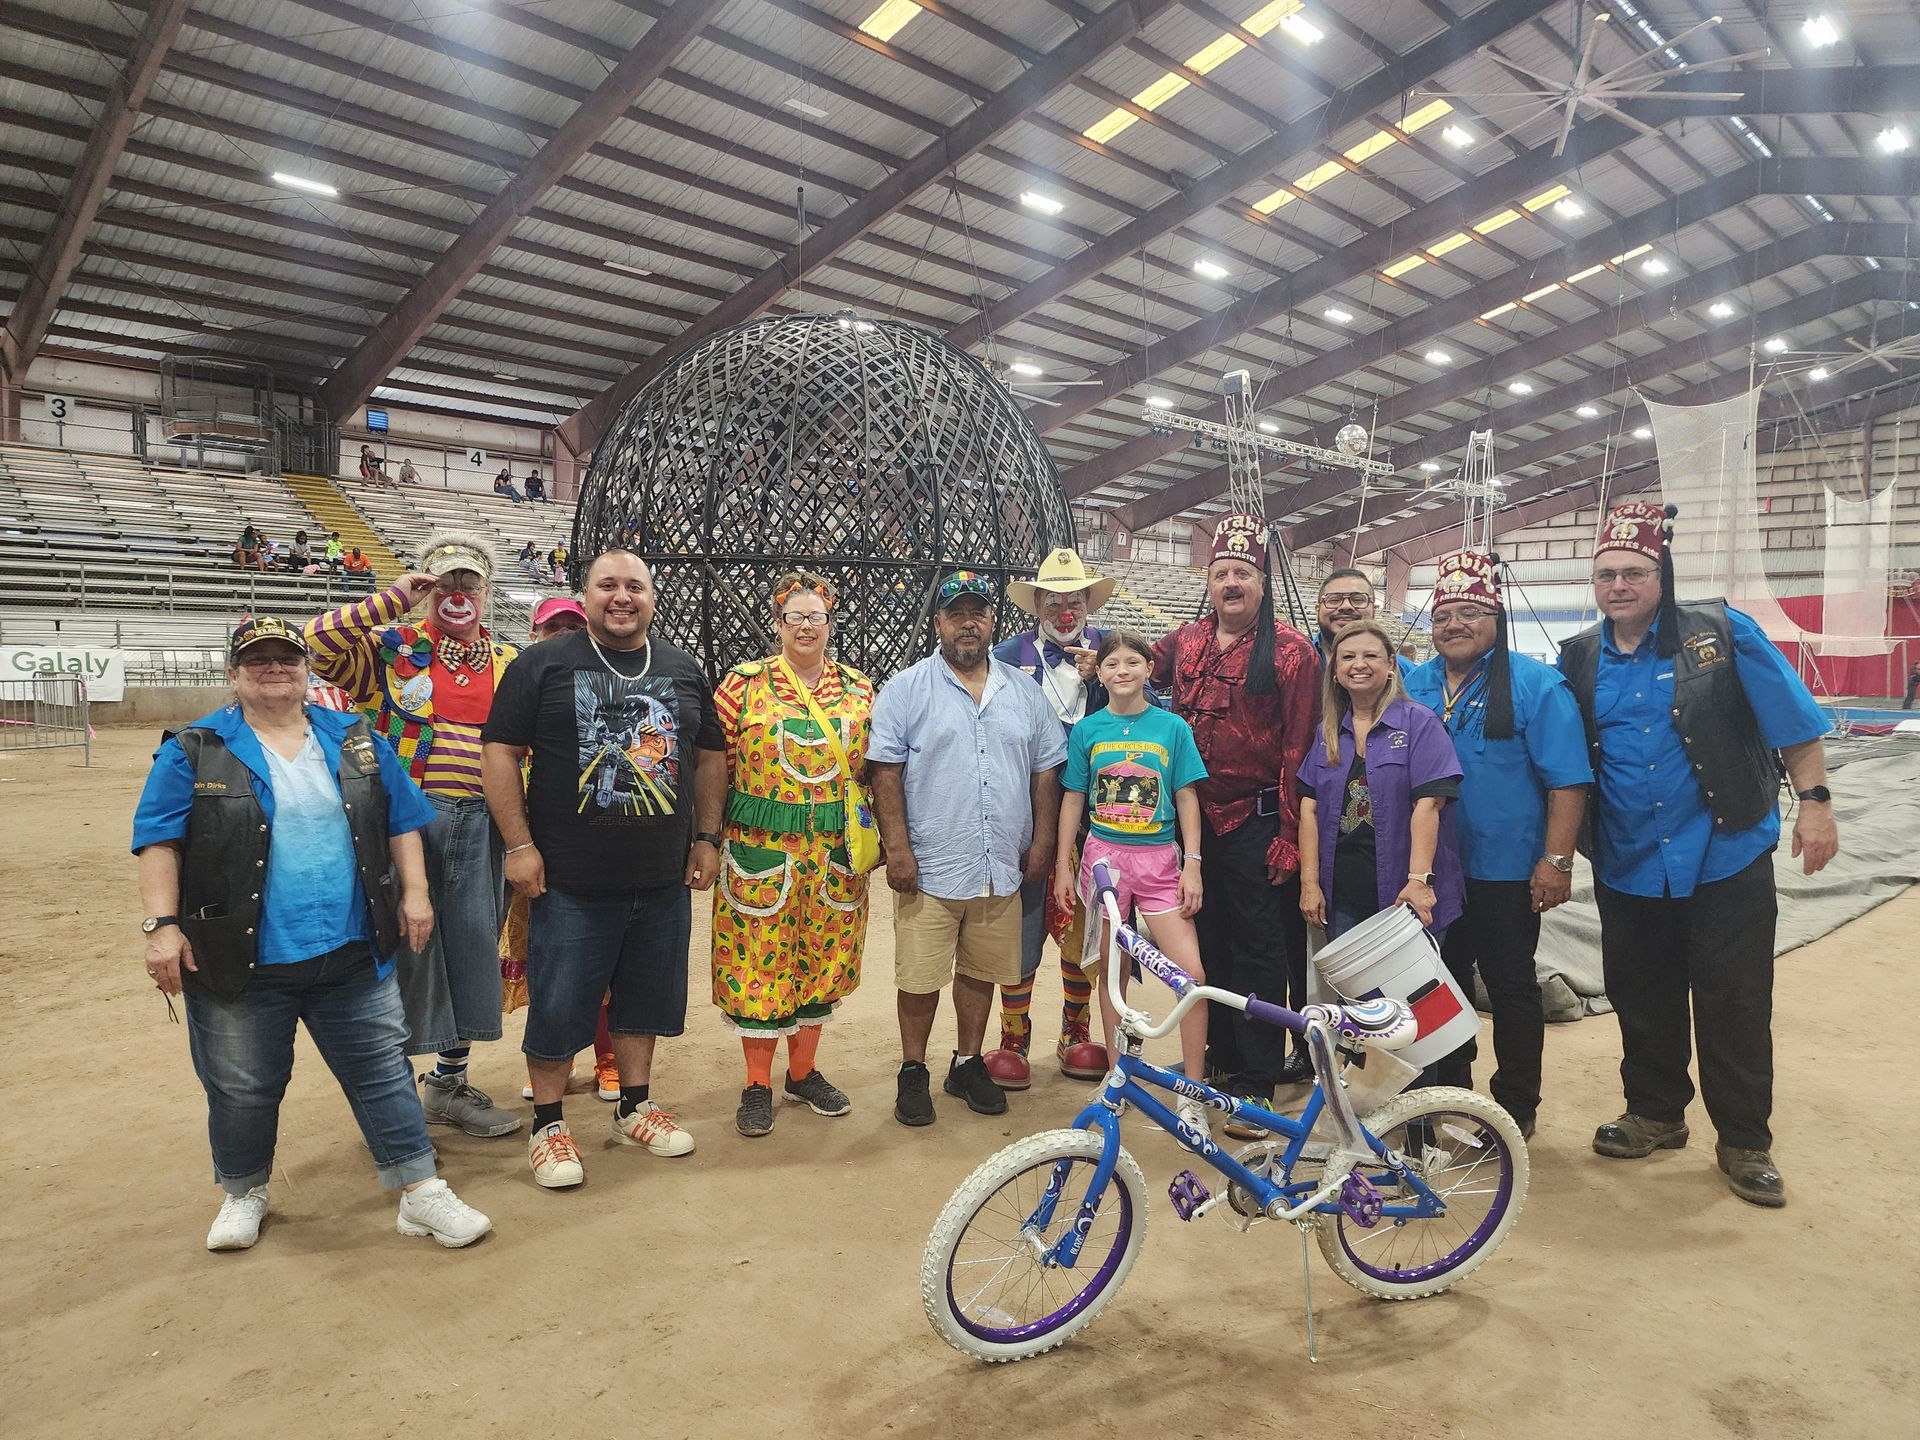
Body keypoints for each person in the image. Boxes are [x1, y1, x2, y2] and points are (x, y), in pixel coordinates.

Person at [132, 616, 492, 1252]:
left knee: (382, 1070)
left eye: (286, 659)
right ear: (233, 673)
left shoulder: (354, 737)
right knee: (243, 1085)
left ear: (306, 670)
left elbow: (402, 819)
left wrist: (415, 894)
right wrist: (162, 926)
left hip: (351, 949)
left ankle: (420, 1191)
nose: (274, 669)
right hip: (239, 956)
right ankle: (243, 1191)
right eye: (257, 659)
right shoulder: (193, 748)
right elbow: (158, 839)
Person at [1560, 501, 1837, 1208]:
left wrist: (1815, 806)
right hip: (1626, 860)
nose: (1618, 585)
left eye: (1633, 572)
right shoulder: (1580, 655)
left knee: (1734, 999)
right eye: (1606, 575)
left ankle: (1745, 1140)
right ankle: (1655, 1112)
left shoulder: (1722, 632)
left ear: (1663, 573)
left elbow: (1793, 725)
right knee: (1641, 994)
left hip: (1724, 852)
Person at [481, 549, 726, 1189]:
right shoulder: (542, 664)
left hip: (662, 877)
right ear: (584, 594)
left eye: (635, 586)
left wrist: (706, 836)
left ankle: (633, 1107)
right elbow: (500, 754)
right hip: (570, 879)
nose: (622, 597)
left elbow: (708, 757)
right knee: (559, 1005)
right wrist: (518, 844)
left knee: (647, 1000)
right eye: (608, 585)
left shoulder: (681, 667)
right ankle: (549, 1126)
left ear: (653, 596)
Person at [305, 532, 524, 1142]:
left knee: (471, 947)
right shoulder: (389, 648)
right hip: (405, 822)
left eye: (469, 584)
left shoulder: (507, 660)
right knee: (404, 944)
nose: (457, 594)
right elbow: (317, 642)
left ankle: (450, 1084)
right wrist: (397, 595)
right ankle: (394, 1092)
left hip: (487, 821)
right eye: (444, 582)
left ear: (486, 592)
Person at [868, 571, 1065, 1127]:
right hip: (930, 862)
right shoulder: (907, 688)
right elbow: (885, 772)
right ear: (938, 624)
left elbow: (1045, 772)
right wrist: (898, 849)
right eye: (956, 614)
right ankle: (913, 1070)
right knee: (921, 975)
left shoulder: (1024, 692)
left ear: (993, 621)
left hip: (998, 862)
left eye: (977, 613)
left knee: (981, 970)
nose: (968, 623)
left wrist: (1043, 842)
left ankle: (966, 1061)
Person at [1405, 550, 1591, 1138]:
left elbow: (1568, 780)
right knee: (1440, 985)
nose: (1454, 624)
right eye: (1443, 615)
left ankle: (1515, 1104)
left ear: (1498, 618)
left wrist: (1556, 861)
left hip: (1507, 870)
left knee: (1510, 984)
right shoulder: (1414, 684)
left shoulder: (1538, 685)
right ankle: (1450, 1091)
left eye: (1470, 612)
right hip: (1432, 870)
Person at [1149, 513, 1318, 1123]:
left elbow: (1300, 747)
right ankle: (1215, 1060)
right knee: (1205, 943)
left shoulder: (1295, 654)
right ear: (1209, 580)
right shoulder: (1185, 643)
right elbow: (1131, 664)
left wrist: (1287, 835)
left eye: (1242, 573)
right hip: (1190, 824)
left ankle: (1257, 1079)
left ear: (1263, 581)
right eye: (1221, 573)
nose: (1231, 584)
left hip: (1254, 822)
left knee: (1258, 953)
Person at [710, 572, 875, 1137]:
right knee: (758, 960)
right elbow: (717, 764)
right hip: (759, 851)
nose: (806, 626)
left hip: (833, 855)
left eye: (816, 617)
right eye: (794, 618)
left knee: (821, 959)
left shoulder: (859, 689)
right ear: (777, 624)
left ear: (831, 623)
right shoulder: (742, 685)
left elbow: (873, 770)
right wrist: (707, 835)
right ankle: (757, 1082)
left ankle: (801, 1073)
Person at [1053, 630, 1211, 1136]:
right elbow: (1073, 800)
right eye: (1111, 664)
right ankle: (1120, 1078)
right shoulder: (1088, 731)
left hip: (1161, 862)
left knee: (1192, 976)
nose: (1121, 671)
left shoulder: (1171, 728)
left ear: (1148, 669)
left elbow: (1186, 795)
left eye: (1131, 662)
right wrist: (1062, 864)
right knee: (1111, 974)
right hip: (1105, 862)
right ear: (1098, 673)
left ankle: (1194, 1092)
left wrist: (1193, 862)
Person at [982, 548, 1115, 1089]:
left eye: (1075, 599)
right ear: (1036, 602)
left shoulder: (1115, 650)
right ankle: (1013, 1034)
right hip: (1024, 815)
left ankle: (1075, 1032)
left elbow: (1149, 712)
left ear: (1088, 601)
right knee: (1022, 922)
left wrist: (1104, 679)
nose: (1066, 610)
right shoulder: (1005, 656)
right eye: (1055, 600)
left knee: (1086, 928)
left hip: (1100, 819)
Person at [496, 598, 618, 1102]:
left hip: (592, 849)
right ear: (535, 633)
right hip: (534, 846)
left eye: (574, 626)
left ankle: (608, 1057)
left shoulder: (603, 687)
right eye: (554, 629)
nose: (565, 636)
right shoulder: (520, 685)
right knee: (549, 961)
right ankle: (555, 1060)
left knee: (603, 960)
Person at [1297, 618, 1464, 943]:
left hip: (1405, 894)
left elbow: (1429, 805)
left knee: (1411, 993)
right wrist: (1310, 884)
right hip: (1342, 897)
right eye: (1347, 657)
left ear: (1390, 664)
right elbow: (1309, 809)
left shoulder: (1420, 724)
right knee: (1354, 994)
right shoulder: (1327, 733)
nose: (1359, 665)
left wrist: (1419, 881)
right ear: (1334, 671)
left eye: (1370, 656)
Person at [1313, 568, 1415, 679]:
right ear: (1317, 610)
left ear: (1373, 611)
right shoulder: (1297, 660)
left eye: (1357, 599)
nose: (1346, 606)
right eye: (1333, 599)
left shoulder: (1407, 671)